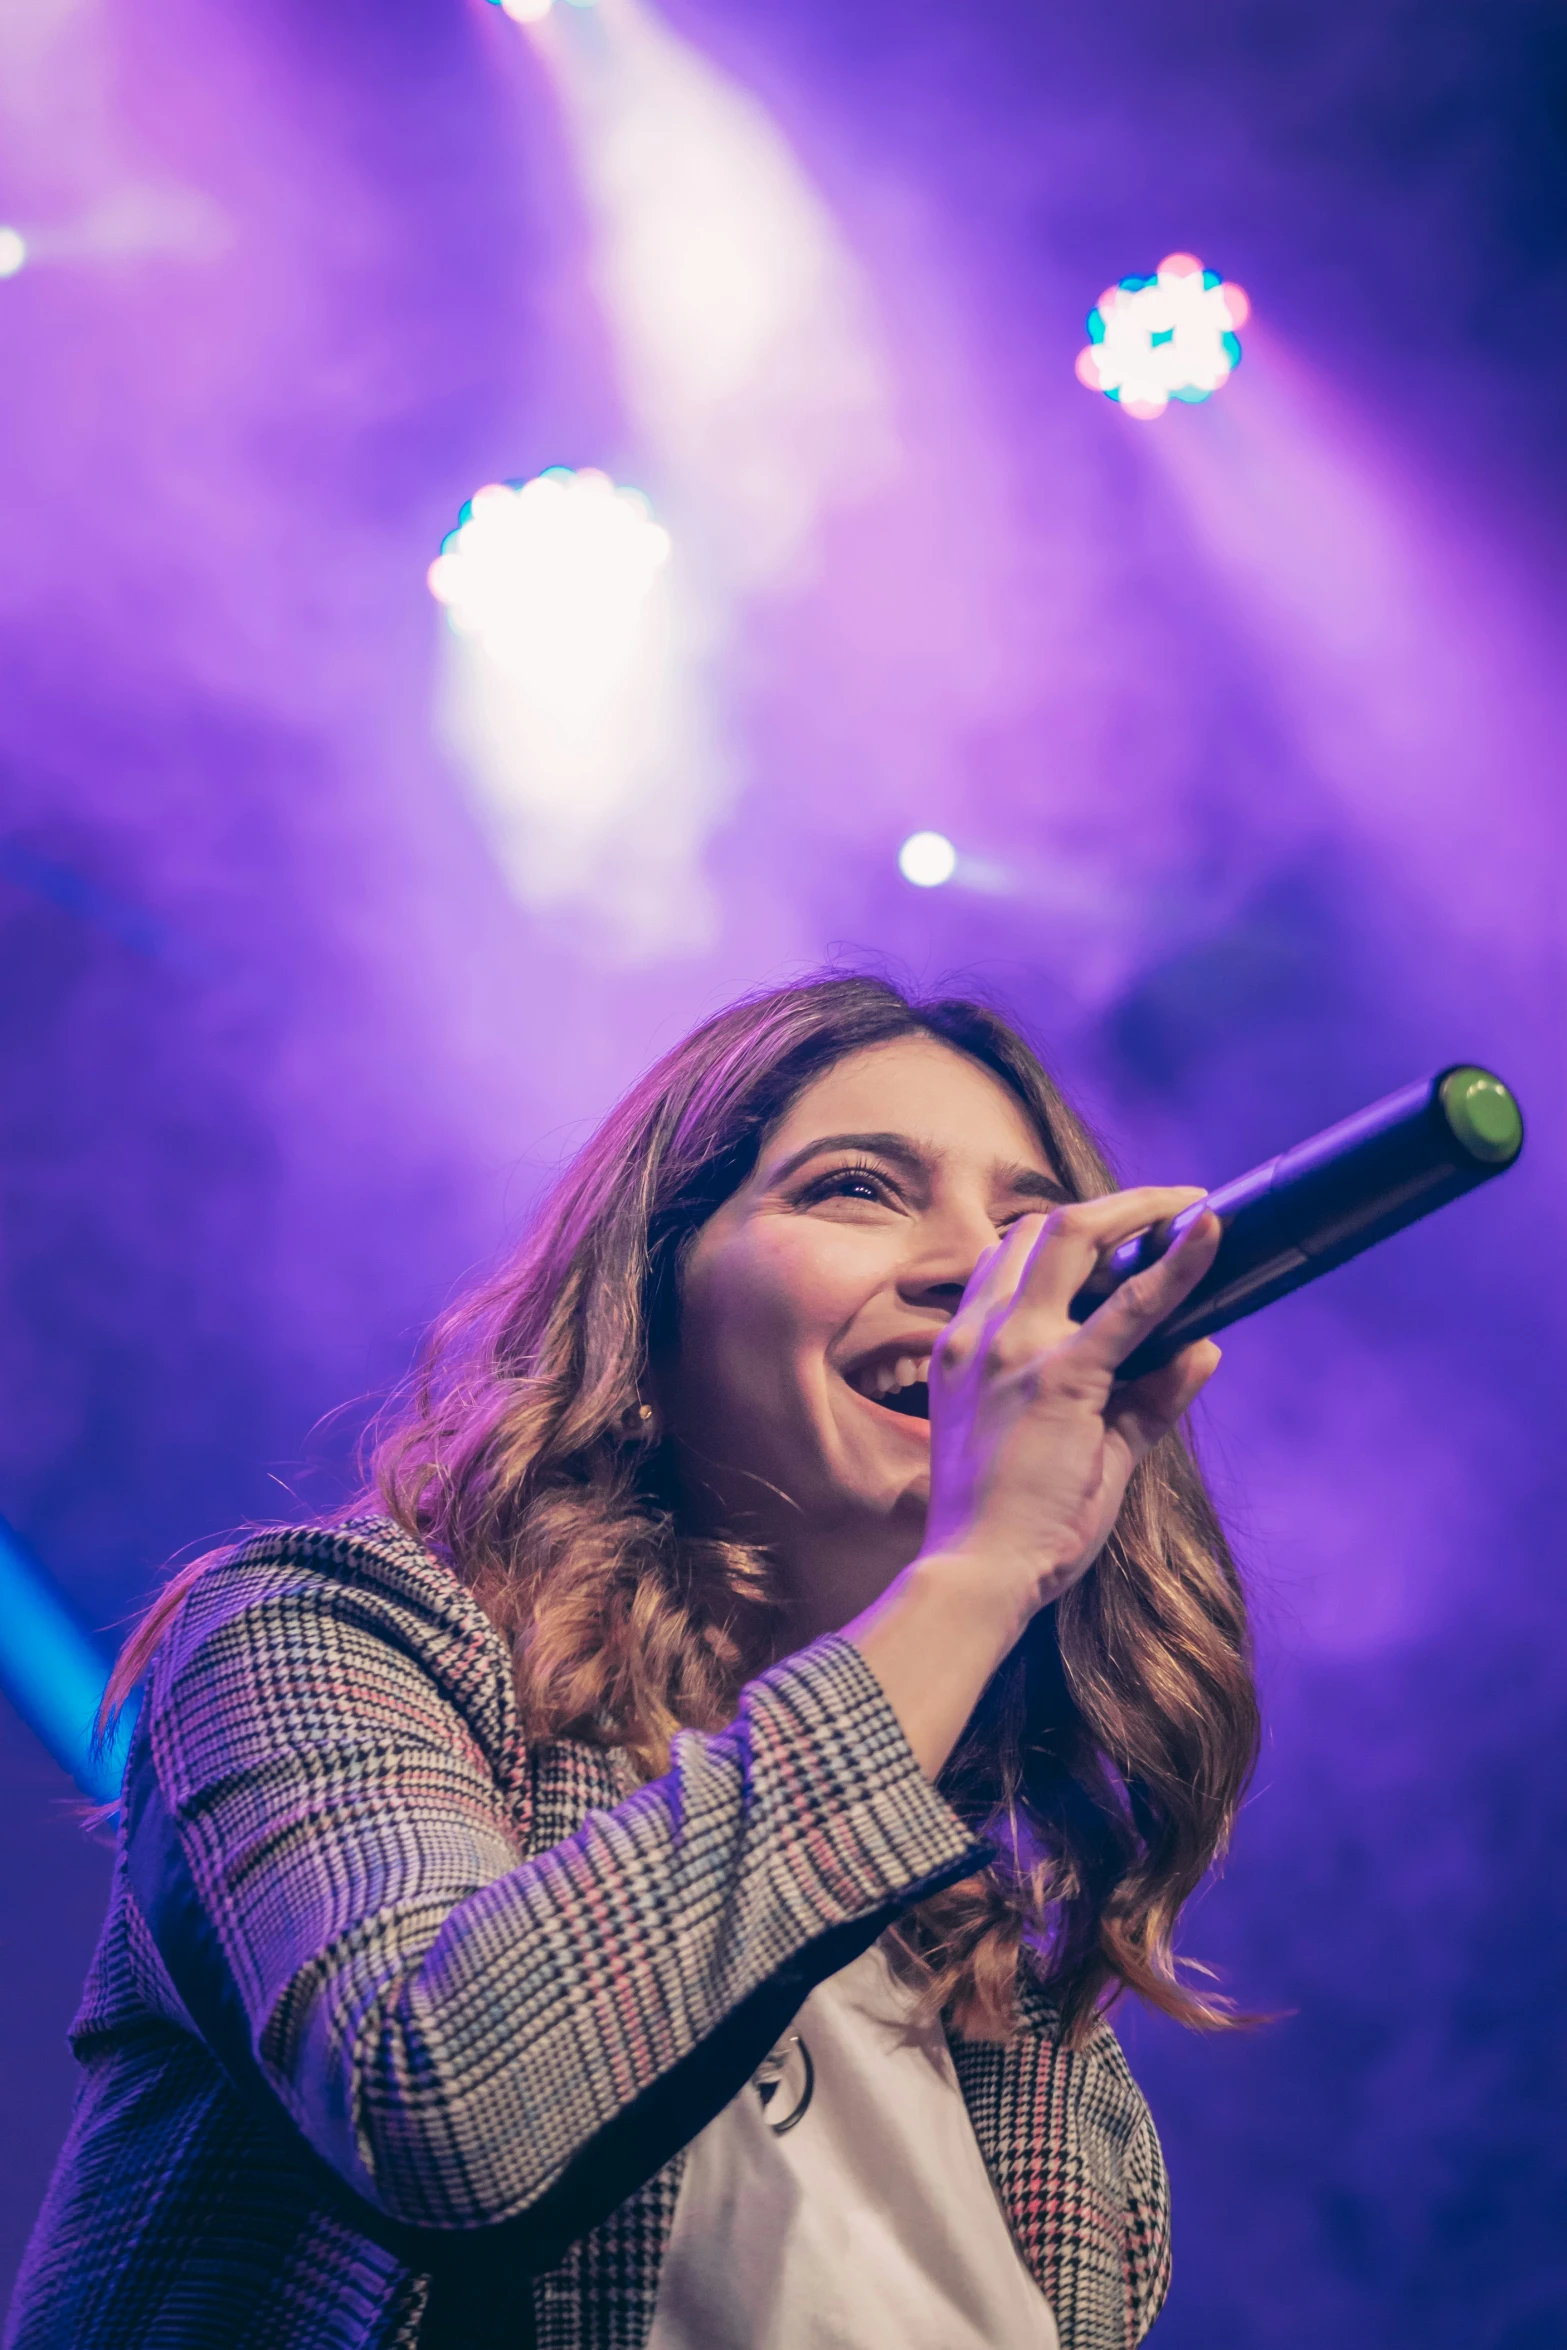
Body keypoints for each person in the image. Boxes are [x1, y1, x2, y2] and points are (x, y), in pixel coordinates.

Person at [5, 973, 1259, 2350]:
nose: (976, 1267)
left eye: (1028, 1227)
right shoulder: (325, 1634)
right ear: (646, 1309)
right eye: (855, 1188)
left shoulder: (1006, 1972)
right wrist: (970, 1580)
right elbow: (438, 2105)